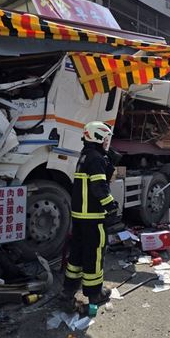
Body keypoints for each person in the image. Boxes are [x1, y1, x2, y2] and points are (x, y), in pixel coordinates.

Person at [60, 121, 120, 306]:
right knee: (94, 254)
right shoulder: (96, 159)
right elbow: (99, 186)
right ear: (99, 137)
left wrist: (109, 160)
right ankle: (95, 294)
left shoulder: (85, 156)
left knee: (76, 254)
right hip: (93, 216)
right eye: (106, 139)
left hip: (79, 216)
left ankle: (68, 290)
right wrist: (111, 206)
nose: (107, 143)